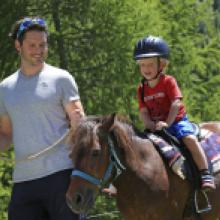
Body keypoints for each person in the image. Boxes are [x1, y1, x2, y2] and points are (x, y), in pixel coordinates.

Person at [0, 17, 86, 220]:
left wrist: (78, 120)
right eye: (32, 45)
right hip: (23, 181)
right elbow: (5, 134)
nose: (38, 50)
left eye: (43, 45)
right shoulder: (5, 88)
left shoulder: (61, 78)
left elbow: (80, 123)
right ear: (18, 45)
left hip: (62, 176)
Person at [133, 35, 215, 191]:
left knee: (189, 138)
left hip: (176, 122)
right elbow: (143, 110)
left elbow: (176, 103)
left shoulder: (168, 81)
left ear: (162, 64)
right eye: (142, 65)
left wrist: (168, 123)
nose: (146, 69)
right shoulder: (142, 88)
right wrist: (149, 124)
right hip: (156, 126)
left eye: (150, 64)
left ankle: (205, 173)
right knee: (138, 146)